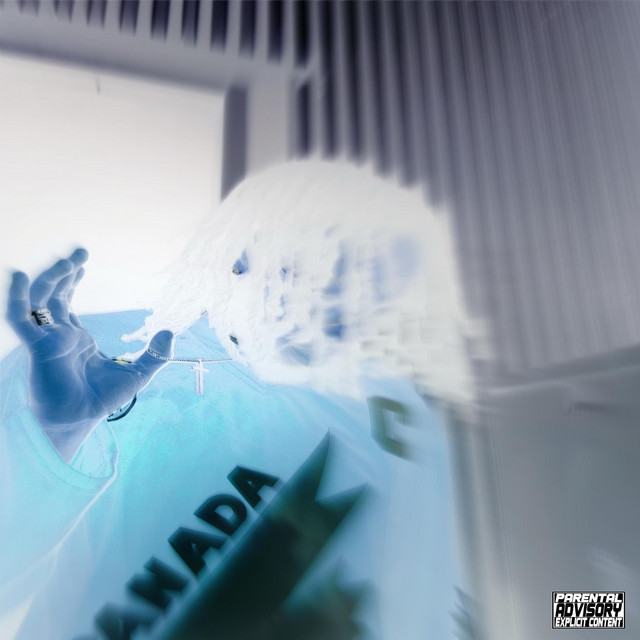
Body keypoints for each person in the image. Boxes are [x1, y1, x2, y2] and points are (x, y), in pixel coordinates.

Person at [1, 162, 469, 640]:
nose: (353, 308)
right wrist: (51, 437)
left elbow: (454, 593)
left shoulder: (398, 416)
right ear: (246, 249)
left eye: (384, 291)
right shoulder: (87, 363)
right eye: (337, 269)